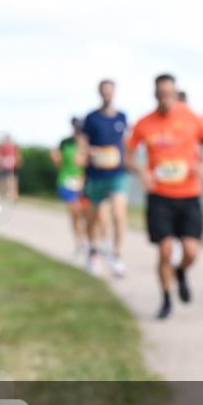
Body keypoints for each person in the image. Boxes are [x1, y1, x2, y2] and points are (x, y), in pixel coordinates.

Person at [126, 74, 203, 320]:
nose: (166, 99)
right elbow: (127, 155)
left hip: (188, 194)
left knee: (191, 251)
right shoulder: (144, 123)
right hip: (160, 195)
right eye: (161, 94)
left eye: (170, 94)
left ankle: (181, 272)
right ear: (155, 95)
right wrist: (141, 172)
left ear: (176, 93)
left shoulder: (191, 118)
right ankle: (167, 298)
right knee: (165, 250)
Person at [79, 79, 130, 277]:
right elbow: (83, 143)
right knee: (93, 217)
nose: (107, 95)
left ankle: (117, 254)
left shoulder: (122, 117)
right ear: (100, 93)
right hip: (96, 174)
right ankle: (94, 250)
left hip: (117, 172)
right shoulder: (91, 118)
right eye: (104, 92)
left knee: (118, 213)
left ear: (114, 93)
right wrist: (92, 151)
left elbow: (127, 140)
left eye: (110, 92)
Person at [51, 118, 90, 258]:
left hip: (82, 183)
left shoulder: (87, 144)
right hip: (66, 181)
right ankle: (79, 243)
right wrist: (55, 158)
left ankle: (88, 240)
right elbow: (58, 161)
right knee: (74, 213)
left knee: (85, 214)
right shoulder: (65, 143)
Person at [0, 134, 21, 202]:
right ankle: (5, 196)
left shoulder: (12, 146)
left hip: (11, 167)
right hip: (6, 167)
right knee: (6, 182)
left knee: (10, 182)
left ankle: (12, 197)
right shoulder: (3, 146)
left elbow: (18, 156)